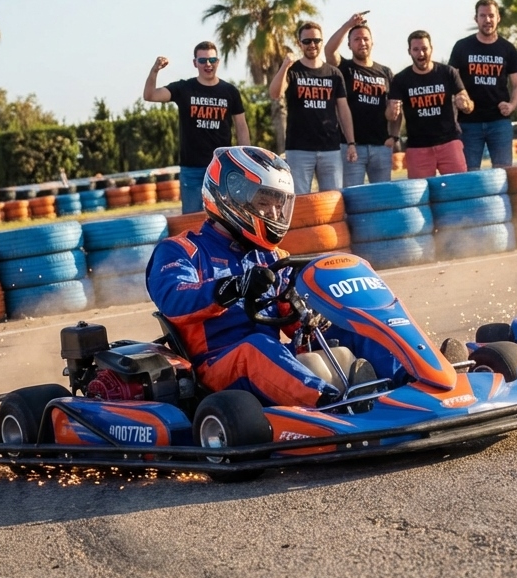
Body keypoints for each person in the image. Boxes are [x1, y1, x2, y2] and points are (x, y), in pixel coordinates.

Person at [147, 146, 399, 408]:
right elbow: (173, 300)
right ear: (231, 197)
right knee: (256, 348)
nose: (275, 215)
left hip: (274, 359)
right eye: (264, 203)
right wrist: (233, 287)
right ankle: (334, 402)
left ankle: (413, 378)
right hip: (215, 366)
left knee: (352, 326)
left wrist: (312, 316)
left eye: (279, 205)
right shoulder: (182, 249)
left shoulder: (273, 257)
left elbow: (291, 323)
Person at [143, 42, 251, 214]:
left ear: (218, 61)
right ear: (195, 63)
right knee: (192, 219)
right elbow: (150, 95)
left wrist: (245, 160)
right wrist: (155, 70)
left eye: (212, 59)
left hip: (221, 166)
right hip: (191, 168)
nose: (208, 64)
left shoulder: (230, 91)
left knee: (225, 217)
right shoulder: (183, 88)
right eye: (203, 60)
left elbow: (241, 127)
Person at [268, 21, 358, 194]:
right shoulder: (293, 70)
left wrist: (351, 142)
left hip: (330, 148)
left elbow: (343, 109)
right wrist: (285, 66)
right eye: (307, 41)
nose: (312, 45)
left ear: (321, 42)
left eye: (316, 40)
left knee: (332, 199)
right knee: (300, 200)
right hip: (299, 149)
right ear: (299, 43)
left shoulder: (334, 73)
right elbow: (274, 93)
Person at [387, 30, 474, 178]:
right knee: (420, 195)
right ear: (409, 52)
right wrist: (392, 112)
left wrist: (465, 104)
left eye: (424, 49)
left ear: (431, 49)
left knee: (459, 189)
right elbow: (391, 115)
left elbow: (469, 106)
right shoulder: (400, 79)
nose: (421, 54)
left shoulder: (448, 72)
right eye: (416, 50)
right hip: (418, 147)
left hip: (449, 142)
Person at [325, 13, 400, 186]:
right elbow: (329, 50)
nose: (362, 42)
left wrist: (394, 137)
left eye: (365, 38)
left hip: (381, 146)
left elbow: (396, 106)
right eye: (357, 39)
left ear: (372, 42)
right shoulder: (344, 68)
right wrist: (348, 25)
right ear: (349, 45)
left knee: (382, 197)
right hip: (351, 146)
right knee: (353, 197)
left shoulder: (386, 72)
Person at [449, 0, 517, 170]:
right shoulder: (462, 47)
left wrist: (512, 106)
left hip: (499, 122)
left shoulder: (508, 49)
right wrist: (453, 118)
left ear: (498, 18)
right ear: (476, 19)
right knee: (469, 174)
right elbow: (450, 84)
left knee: (504, 173)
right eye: (483, 16)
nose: (487, 20)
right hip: (468, 123)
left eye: (491, 15)